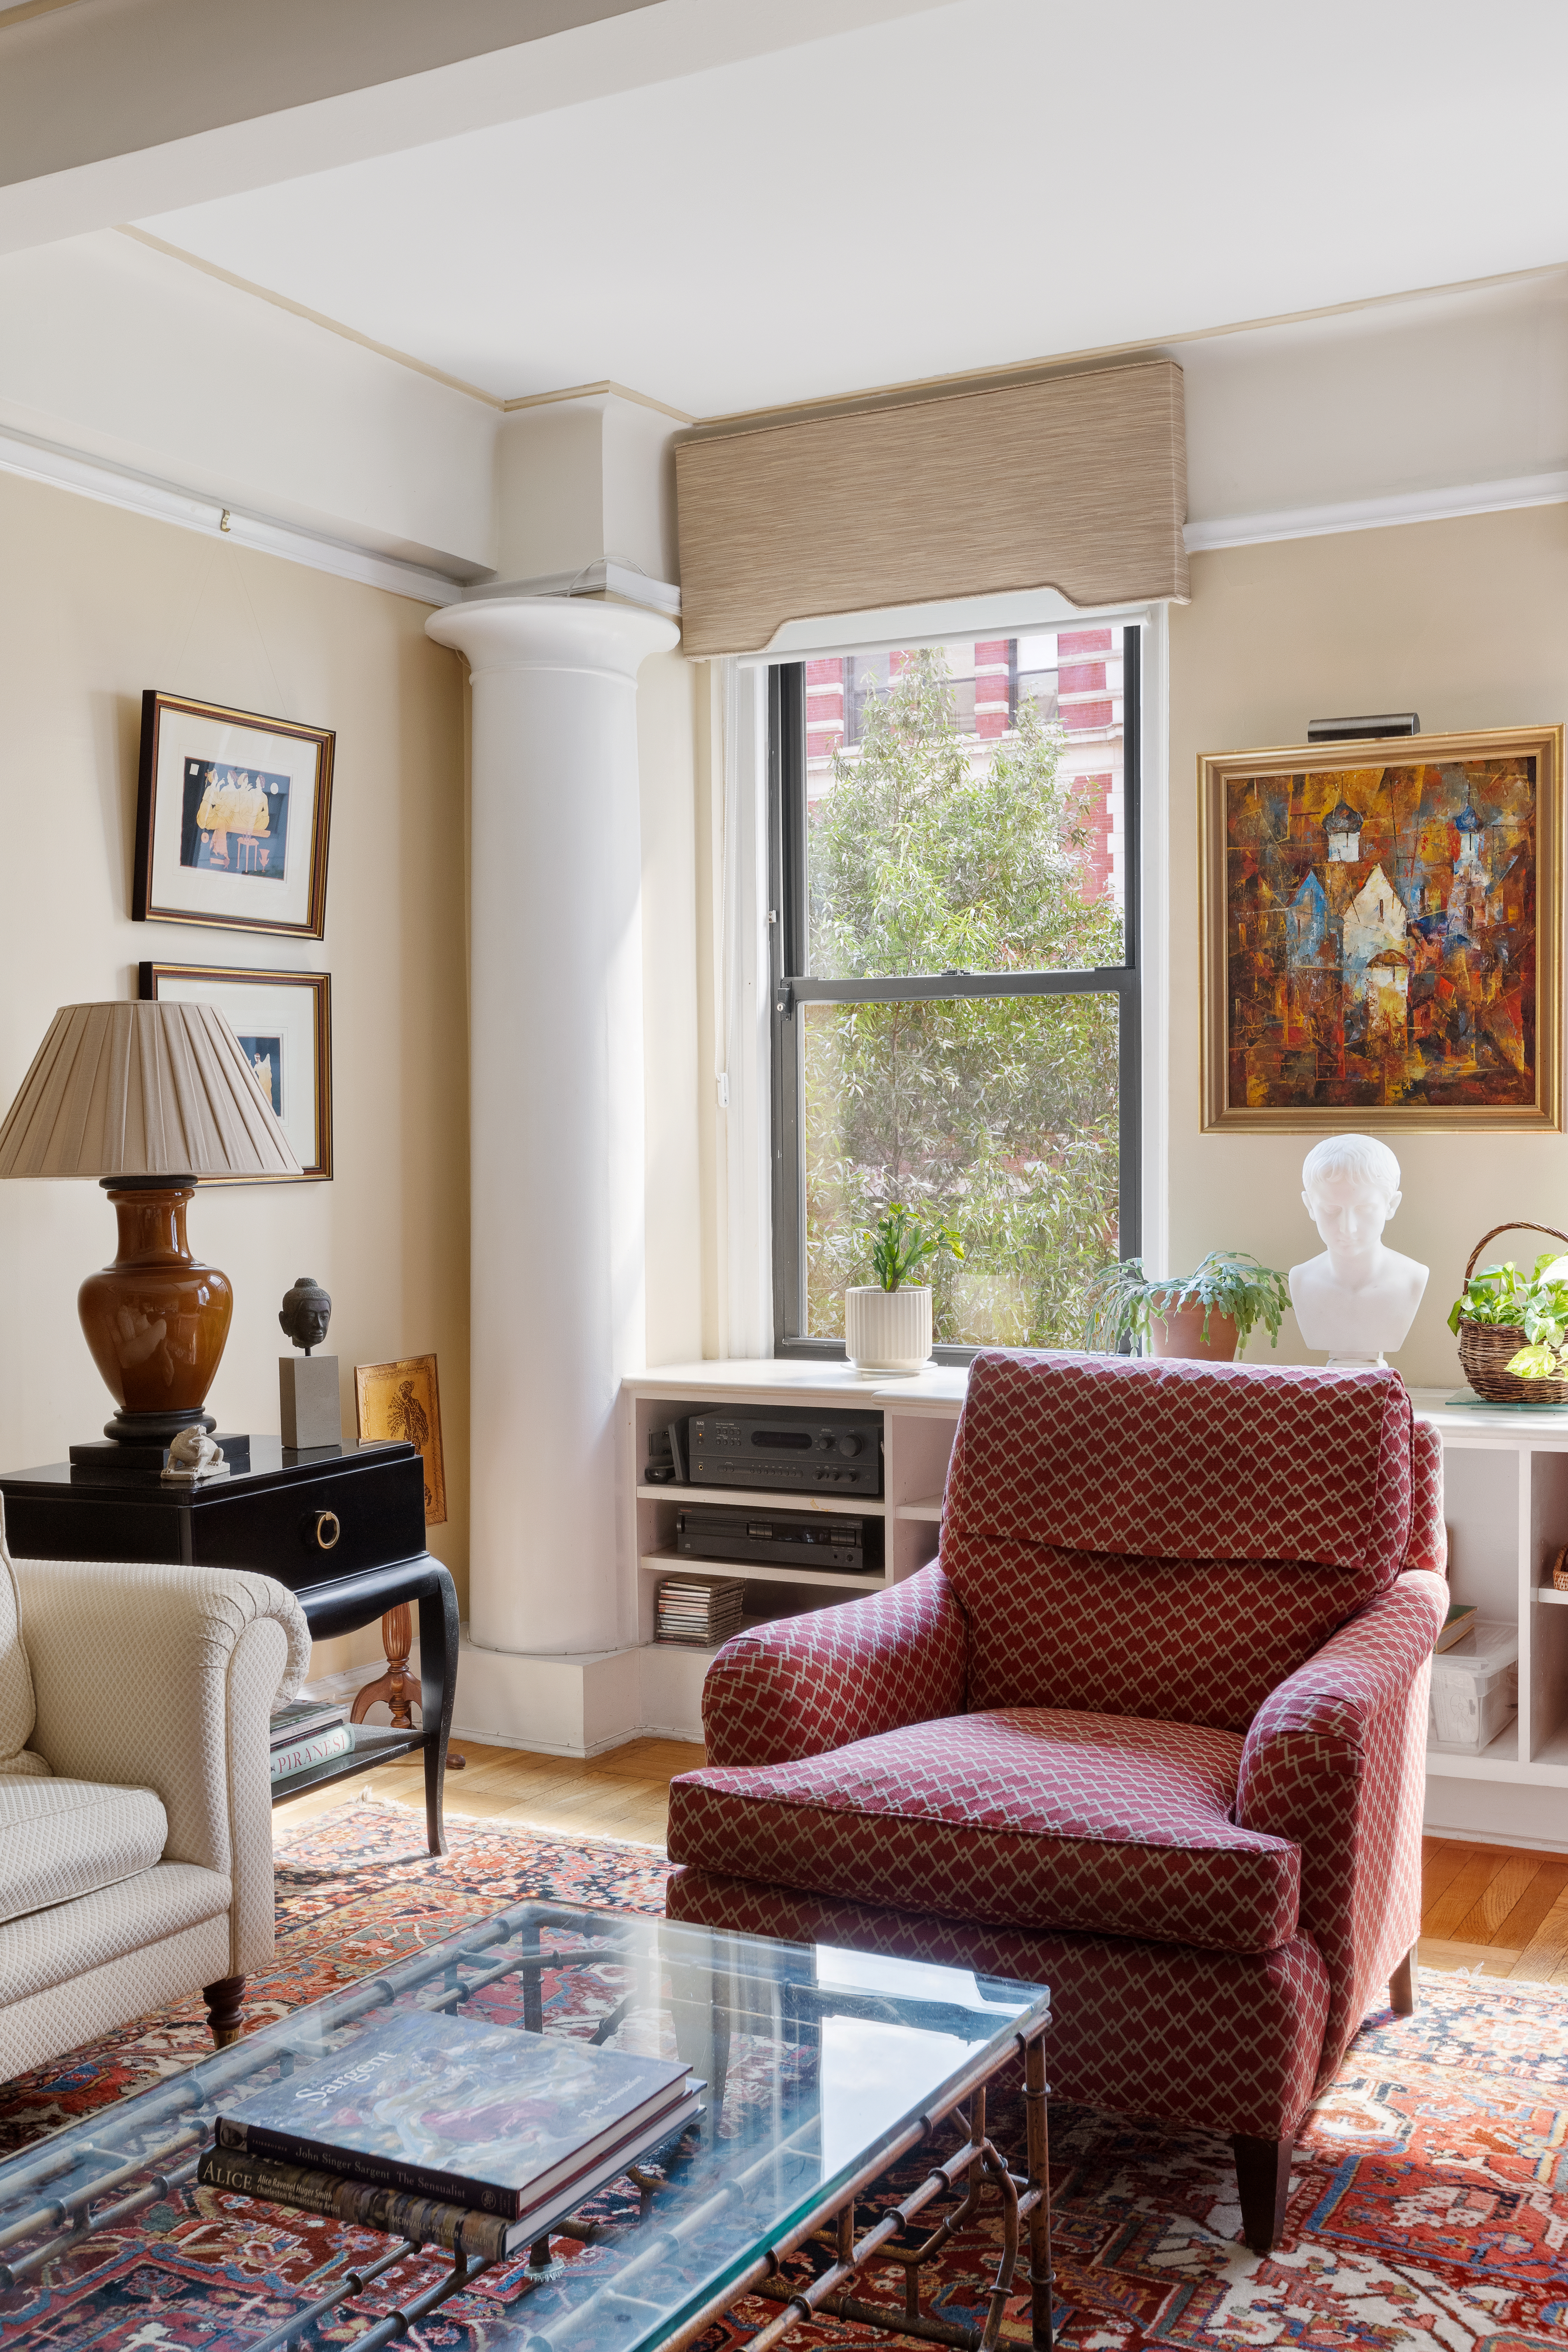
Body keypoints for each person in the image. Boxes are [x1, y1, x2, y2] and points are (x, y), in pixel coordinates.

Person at [1289, 1133, 1427, 1366]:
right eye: (1332, 1210)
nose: (1348, 1228)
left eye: (1365, 1209)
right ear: (1310, 1207)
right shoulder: (1302, 1279)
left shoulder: (1413, 1277)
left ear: (1391, 1206)